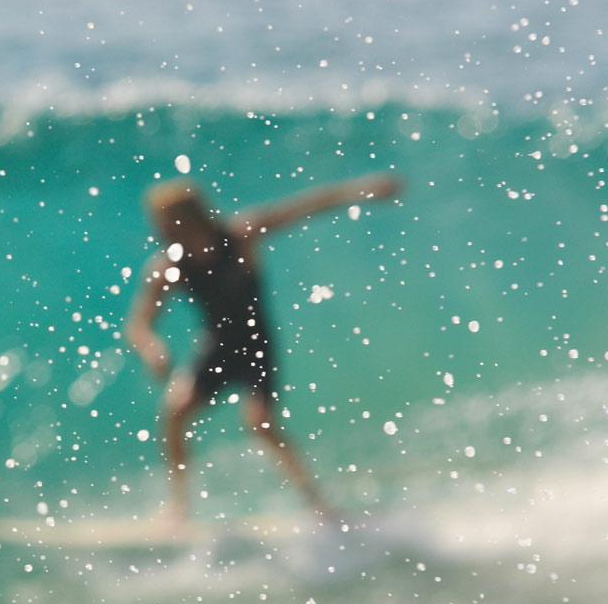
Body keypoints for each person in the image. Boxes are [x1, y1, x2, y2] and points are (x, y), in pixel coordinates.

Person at [125, 172, 403, 525]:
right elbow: (139, 323)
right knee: (176, 412)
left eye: (165, 220)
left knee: (260, 423)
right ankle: (179, 507)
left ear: (190, 215)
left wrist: (360, 191)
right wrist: (151, 348)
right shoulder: (167, 267)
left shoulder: (240, 236)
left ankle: (318, 503)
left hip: (257, 345)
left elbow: (302, 208)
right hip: (218, 347)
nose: (161, 228)